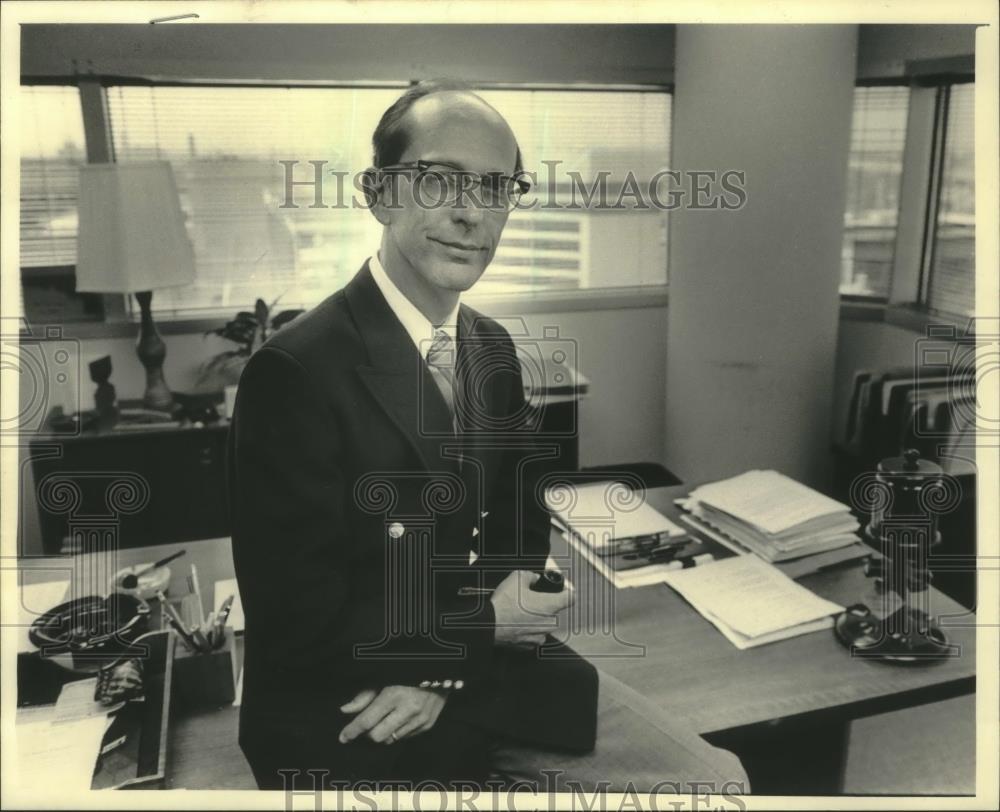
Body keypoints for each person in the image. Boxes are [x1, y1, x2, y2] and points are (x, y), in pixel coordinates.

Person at [228, 79, 748, 794]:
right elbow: (297, 621)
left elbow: (518, 525)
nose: (472, 213)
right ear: (379, 194)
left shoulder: (491, 347)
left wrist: (447, 665)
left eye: (496, 187)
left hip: (469, 670)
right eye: (440, 180)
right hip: (349, 707)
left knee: (717, 784)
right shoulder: (290, 371)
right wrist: (472, 639)